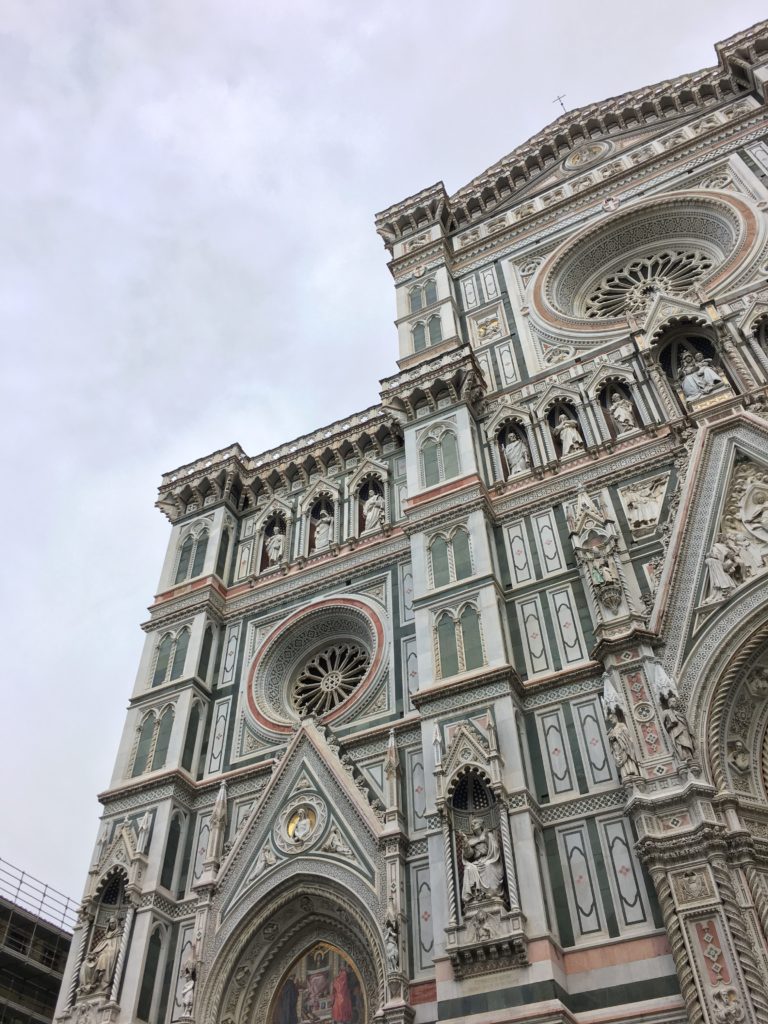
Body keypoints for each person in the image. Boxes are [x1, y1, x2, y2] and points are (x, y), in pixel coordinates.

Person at [460, 818, 504, 905]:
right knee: (468, 868)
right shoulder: (471, 840)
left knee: (488, 865)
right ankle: (474, 896)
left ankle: (491, 892)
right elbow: (469, 855)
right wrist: (465, 842)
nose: (472, 825)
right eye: (471, 824)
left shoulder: (488, 835)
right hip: (477, 862)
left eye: (475, 823)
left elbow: (495, 849)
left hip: (489, 859)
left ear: (481, 824)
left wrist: (485, 841)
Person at [79, 916, 121, 993]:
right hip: (99, 956)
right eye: (110, 923)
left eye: (113, 923)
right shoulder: (106, 936)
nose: (111, 924)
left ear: (117, 923)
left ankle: (100, 981)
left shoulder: (118, 935)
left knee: (103, 957)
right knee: (85, 963)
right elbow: (98, 948)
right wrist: (93, 955)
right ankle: (87, 985)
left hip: (108, 956)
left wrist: (104, 953)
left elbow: (116, 950)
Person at [606, 711, 640, 781]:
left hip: (624, 747)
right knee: (621, 761)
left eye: (612, 718)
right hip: (617, 748)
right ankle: (625, 774)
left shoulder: (621, 725)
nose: (611, 720)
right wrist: (611, 738)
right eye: (610, 719)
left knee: (627, 759)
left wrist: (616, 735)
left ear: (616, 717)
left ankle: (632, 772)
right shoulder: (613, 729)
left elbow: (627, 735)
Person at [662, 695, 695, 762]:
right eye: (673, 701)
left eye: (675, 702)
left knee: (687, 743)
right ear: (669, 703)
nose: (675, 703)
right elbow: (662, 725)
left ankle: (689, 756)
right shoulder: (666, 712)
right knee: (680, 743)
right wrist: (670, 726)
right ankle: (684, 757)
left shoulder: (679, 714)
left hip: (684, 731)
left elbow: (686, 723)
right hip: (675, 731)